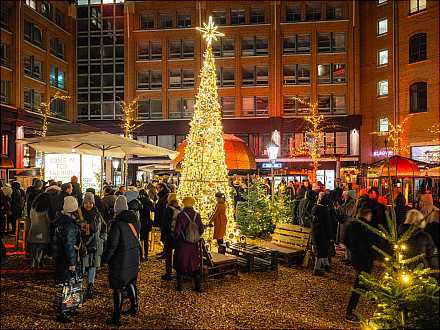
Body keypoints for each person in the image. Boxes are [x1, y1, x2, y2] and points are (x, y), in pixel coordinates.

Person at [102, 195, 141, 326]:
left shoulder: (117, 224)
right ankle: (134, 307)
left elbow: (112, 245)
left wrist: (105, 259)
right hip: (133, 257)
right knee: (130, 281)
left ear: (116, 208)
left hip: (120, 260)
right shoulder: (134, 220)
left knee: (117, 287)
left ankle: (116, 316)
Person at [53, 196, 81, 323]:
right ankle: (62, 312)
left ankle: (65, 307)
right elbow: (69, 245)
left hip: (59, 257)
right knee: (66, 284)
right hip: (65, 259)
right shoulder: (69, 225)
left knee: (64, 284)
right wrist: (72, 263)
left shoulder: (60, 220)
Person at [345, 208, 375, 323]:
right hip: (364, 259)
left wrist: (353, 251)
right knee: (359, 285)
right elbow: (371, 244)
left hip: (356, 258)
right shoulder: (366, 228)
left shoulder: (352, 225)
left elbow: (346, 240)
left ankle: (372, 295)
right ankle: (349, 312)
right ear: (367, 215)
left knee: (362, 281)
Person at [173, 196, 204, 292]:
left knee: (180, 263)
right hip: (193, 245)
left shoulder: (181, 215)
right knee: (194, 264)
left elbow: (177, 231)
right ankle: (198, 286)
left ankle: (180, 285)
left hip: (183, 244)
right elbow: (201, 229)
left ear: (184, 203)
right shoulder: (197, 215)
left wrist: (177, 239)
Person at [80, 192, 107, 299]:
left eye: (90, 202)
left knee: (92, 266)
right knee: (82, 265)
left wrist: (102, 238)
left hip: (95, 244)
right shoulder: (79, 214)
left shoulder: (97, 214)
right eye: (86, 202)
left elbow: (104, 227)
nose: (88, 205)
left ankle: (90, 286)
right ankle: (79, 287)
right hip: (83, 245)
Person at [311, 192, 332, 275]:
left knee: (321, 250)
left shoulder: (314, 208)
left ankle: (326, 265)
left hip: (315, 232)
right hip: (322, 234)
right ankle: (317, 269)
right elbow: (328, 224)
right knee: (321, 251)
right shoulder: (324, 210)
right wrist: (330, 236)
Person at [161, 193, 181, 280]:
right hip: (178, 236)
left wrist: (163, 236)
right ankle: (178, 272)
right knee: (177, 254)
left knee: (168, 255)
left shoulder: (168, 210)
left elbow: (165, 225)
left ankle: (168, 273)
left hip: (169, 236)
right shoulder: (180, 209)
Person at [28, 192, 51, 268]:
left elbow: (30, 218)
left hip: (33, 229)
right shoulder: (45, 209)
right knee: (42, 246)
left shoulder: (33, 208)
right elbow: (49, 220)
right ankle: (39, 261)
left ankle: (33, 262)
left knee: (33, 246)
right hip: (43, 230)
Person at [138, 189, 154, 261]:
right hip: (147, 222)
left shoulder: (137, 201)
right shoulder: (148, 201)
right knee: (146, 239)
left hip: (139, 222)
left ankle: (141, 255)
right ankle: (146, 255)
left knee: (140, 239)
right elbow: (153, 210)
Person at [154, 183, 169, 257]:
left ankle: (165, 252)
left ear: (162, 188)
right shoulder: (162, 196)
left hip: (163, 219)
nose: (157, 190)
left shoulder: (165, 196)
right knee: (163, 235)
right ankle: (164, 251)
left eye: (158, 188)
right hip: (162, 219)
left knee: (165, 236)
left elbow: (163, 209)